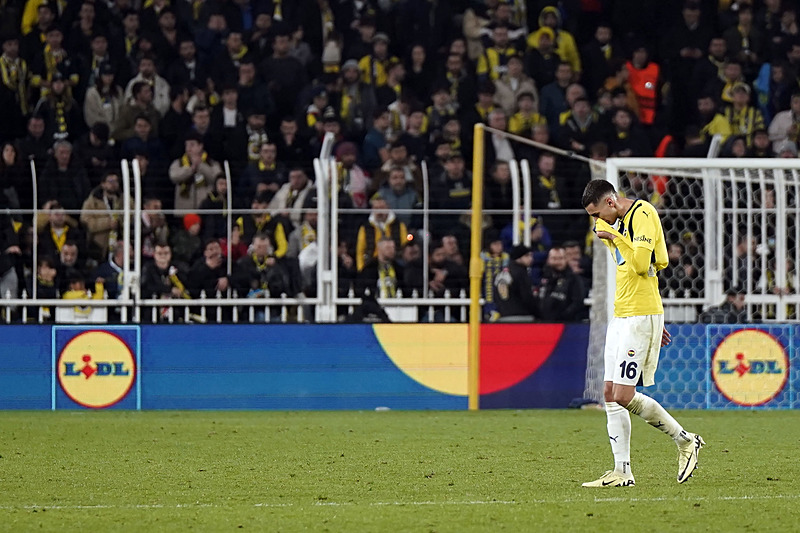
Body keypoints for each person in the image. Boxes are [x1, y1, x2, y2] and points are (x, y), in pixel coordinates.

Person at [580, 179, 704, 488]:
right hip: (622, 315)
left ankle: (685, 440)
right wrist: (612, 233)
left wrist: (615, 237)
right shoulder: (617, 223)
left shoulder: (643, 213)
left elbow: (639, 265)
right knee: (609, 394)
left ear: (611, 202)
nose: (596, 222)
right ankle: (622, 471)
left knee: (624, 395)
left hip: (640, 315)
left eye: (596, 214)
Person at [493, 244, 537, 321]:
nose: (531, 259)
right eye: (527, 256)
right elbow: (527, 297)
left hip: (503, 317)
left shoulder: (500, 273)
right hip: (522, 317)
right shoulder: (521, 273)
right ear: (518, 257)